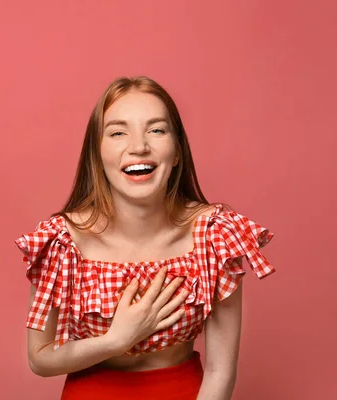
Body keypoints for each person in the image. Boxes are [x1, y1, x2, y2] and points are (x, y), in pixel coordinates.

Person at [14, 76, 275, 399]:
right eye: (118, 132)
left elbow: (221, 370)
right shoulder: (62, 241)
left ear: (177, 151)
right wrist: (116, 340)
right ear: (97, 155)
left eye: (156, 130)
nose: (138, 146)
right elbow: (39, 358)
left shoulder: (215, 235)